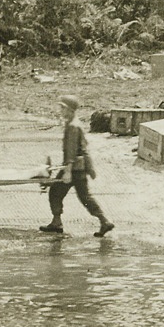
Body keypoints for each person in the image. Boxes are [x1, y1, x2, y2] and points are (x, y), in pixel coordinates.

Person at [42, 95, 114, 237]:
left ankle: (57, 223)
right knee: (84, 197)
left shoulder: (73, 127)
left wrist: (67, 171)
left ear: (70, 110)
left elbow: (71, 150)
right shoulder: (75, 124)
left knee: (56, 192)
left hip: (73, 168)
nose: (60, 110)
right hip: (79, 167)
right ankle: (104, 221)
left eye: (63, 108)